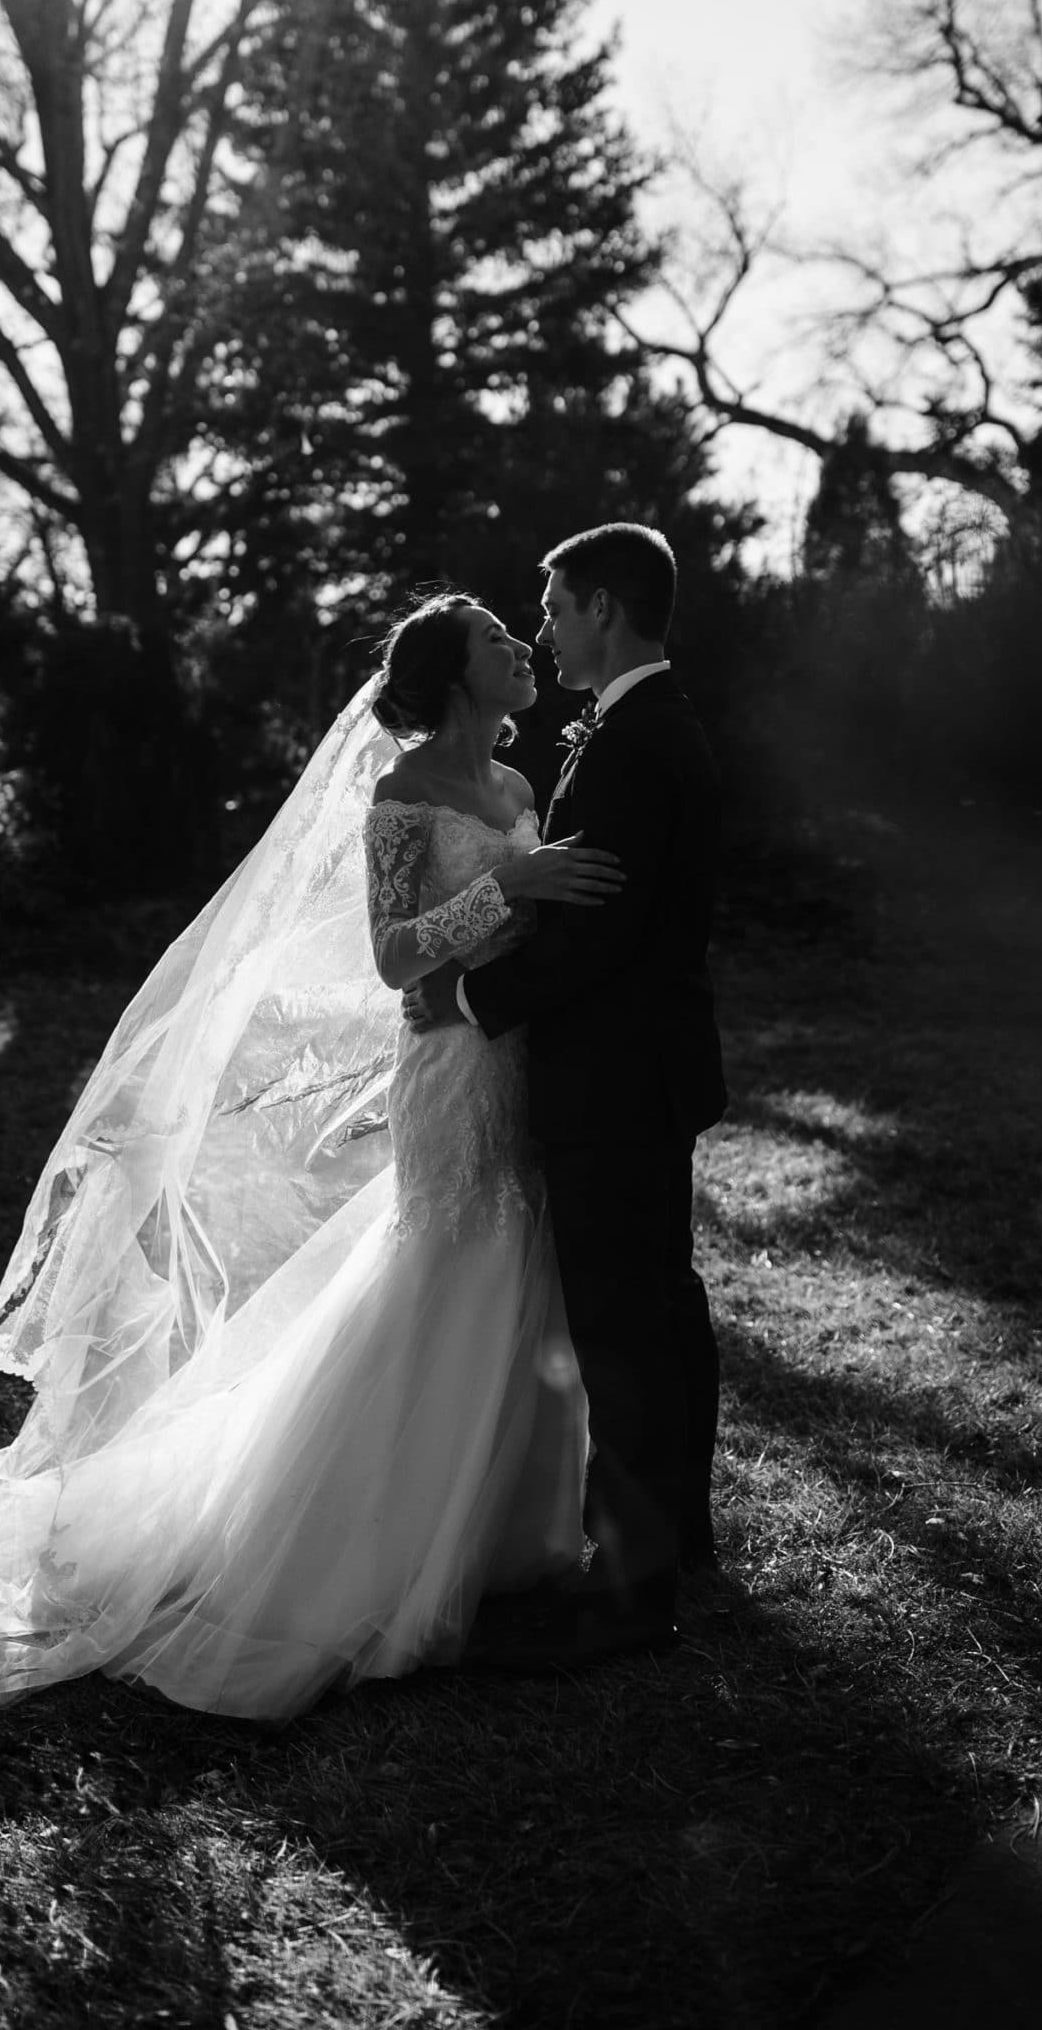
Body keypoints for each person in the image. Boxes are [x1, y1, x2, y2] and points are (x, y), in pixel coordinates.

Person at [0, 591, 624, 1733]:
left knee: (514, 1265)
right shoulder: (401, 796)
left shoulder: (525, 789)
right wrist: (509, 886)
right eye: (494, 636)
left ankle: (496, 1533)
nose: (521, 645)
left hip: (517, 1054)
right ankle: (361, 1544)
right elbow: (391, 957)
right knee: (445, 1263)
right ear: (451, 673)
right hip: (447, 1069)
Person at [410, 522, 729, 1664]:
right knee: (663, 1309)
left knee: (623, 1330)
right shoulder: (649, 724)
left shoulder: (636, 743)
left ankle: (635, 1592)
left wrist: (470, 1004)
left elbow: (596, 935)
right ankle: (677, 1539)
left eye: (552, 606)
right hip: (650, 1067)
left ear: (601, 605)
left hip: (613, 1076)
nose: (542, 626)